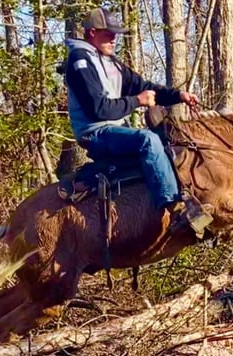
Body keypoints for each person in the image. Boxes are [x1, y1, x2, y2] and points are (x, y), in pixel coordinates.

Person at [64, 7, 205, 225]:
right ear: (92, 33)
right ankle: (174, 208)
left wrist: (179, 95)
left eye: (115, 33)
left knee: (168, 140)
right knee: (147, 140)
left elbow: (144, 86)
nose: (114, 38)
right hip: (95, 133)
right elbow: (99, 109)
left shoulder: (111, 63)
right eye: (108, 33)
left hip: (113, 129)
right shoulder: (79, 61)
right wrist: (137, 101)